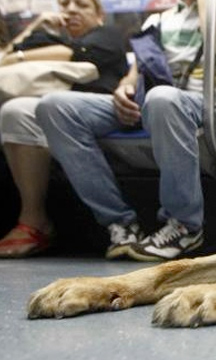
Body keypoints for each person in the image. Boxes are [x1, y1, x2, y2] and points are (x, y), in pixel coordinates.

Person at [37, 0, 216, 261]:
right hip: (151, 104)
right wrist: (123, 89)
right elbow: (135, 73)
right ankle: (121, 223)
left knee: (162, 98)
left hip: (206, 112)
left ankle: (184, 225)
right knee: (54, 106)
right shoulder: (157, 21)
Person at [0, 0, 128, 258]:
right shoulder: (49, 40)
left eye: (81, 5)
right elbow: (4, 58)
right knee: (14, 111)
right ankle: (33, 218)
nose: (70, 11)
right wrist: (35, 27)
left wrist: (21, 56)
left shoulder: (108, 35)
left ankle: (118, 222)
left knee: (46, 106)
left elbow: (79, 52)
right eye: (65, 5)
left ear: (100, 14)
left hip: (104, 108)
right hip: (52, 107)